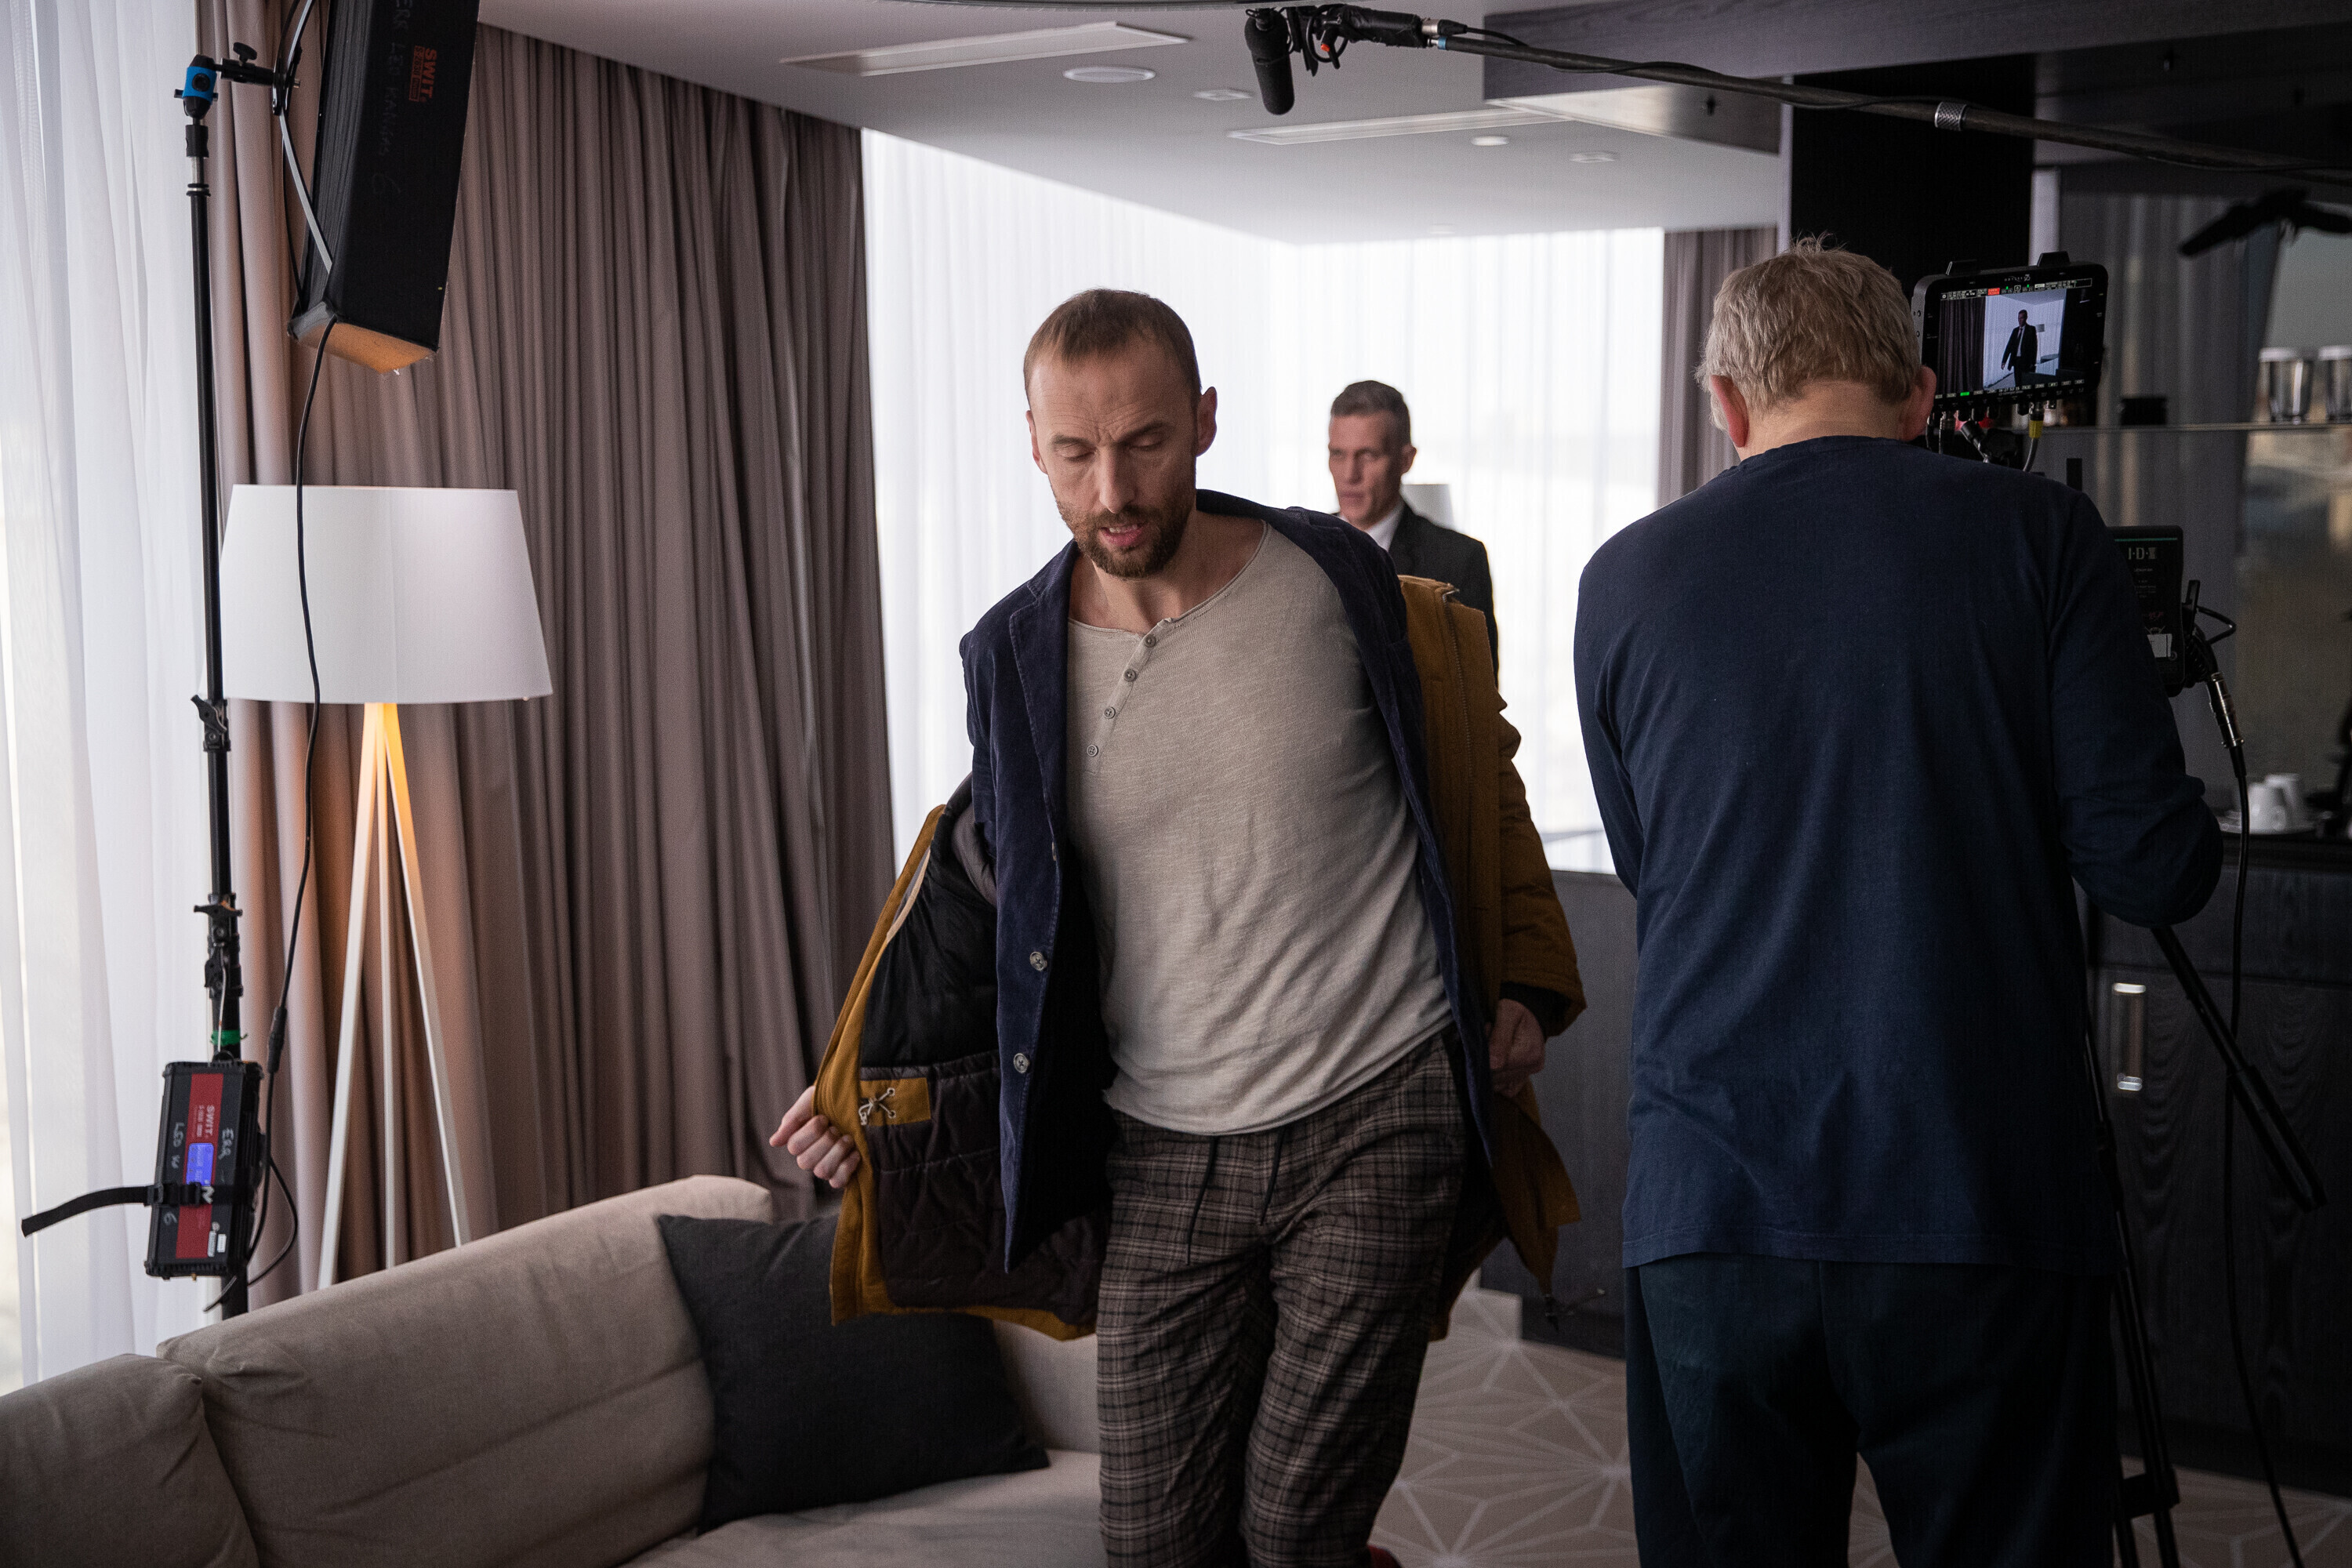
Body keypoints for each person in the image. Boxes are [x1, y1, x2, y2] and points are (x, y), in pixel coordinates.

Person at [776, 289, 1584, 1568]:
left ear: (1205, 421)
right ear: (1033, 445)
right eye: (1074, 453)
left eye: (1145, 442)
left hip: (1377, 1109)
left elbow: (1475, 764)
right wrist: (855, 1082)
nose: (1113, 491)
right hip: (1158, 1148)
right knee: (1155, 1540)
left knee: (1297, 1526)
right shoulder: (1011, 653)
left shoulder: (1340, 585)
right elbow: (982, 885)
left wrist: (1529, 976)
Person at [1573, 240, 2219, 1566]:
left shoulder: (1623, 576)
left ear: (1725, 404)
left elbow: (1652, 862)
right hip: (1976, 1199)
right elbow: (2154, 869)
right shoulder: (2040, 535)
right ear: (1921, 394)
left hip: (1711, 1210)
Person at [1327, 380, 1497, 662]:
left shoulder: (1459, 560)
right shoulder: (1300, 549)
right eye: (1338, 454)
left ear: (1406, 460)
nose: (1349, 474)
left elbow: (1477, 687)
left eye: (1367, 456)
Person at [2000, 307, 2040, 387]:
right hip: (2016, 361)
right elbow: (2009, 346)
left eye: (2022, 318)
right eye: (2018, 318)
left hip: (2026, 361)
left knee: (2025, 382)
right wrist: (2004, 361)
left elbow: (2034, 347)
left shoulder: (2031, 329)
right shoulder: (2015, 331)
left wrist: (2033, 363)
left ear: (2026, 318)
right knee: (2017, 383)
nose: (2020, 320)